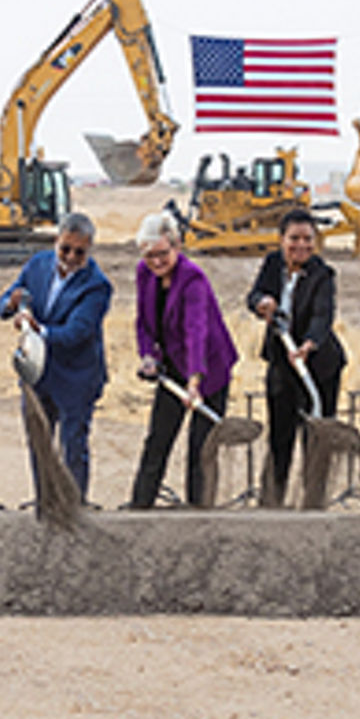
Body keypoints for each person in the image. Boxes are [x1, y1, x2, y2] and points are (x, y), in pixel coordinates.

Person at [128, 210, 239, 509]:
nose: (157, 262)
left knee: (200, 447)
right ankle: (140, 507)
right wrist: (148, 356)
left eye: (163, 254)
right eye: (149, 255)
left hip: (209, 368)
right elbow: (143, 322)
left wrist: (194, 381)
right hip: (172, 366)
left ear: (176, 247)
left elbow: (196, 332)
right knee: (158, 439)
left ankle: (198, 513)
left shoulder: (193, 280)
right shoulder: (144, 273)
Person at [0, 212, 111, 499]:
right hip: (38, 376)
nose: (71, 257)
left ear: (89, 249)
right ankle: (46, 504)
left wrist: (39, 332)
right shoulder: (38, 264)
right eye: (65, 249)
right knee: (39, 443)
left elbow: (76, 332)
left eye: (79, 252)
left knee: (73, 448)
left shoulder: (97, 285)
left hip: (77, 378)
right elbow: (4, 301)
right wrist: (9, 304)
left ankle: (73, 507)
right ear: (56, 241)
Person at [245, 208, 346, 505]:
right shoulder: (272, 264)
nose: (301, 245)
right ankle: (272, 502)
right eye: (294, 238)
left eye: (307, 239)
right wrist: (261, 302)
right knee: (280, 434)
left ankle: (313, 503)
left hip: (319, 366)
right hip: (281, 361)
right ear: (281, 240)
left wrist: (309, 344)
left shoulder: (323, 274)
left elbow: (322, 315)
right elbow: (253, 295)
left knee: (316, 438)